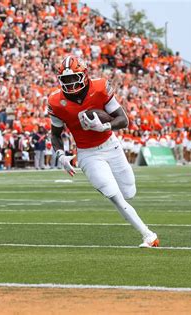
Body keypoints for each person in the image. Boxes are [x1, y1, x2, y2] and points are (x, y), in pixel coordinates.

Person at [48, 55, 159, 248]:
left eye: (74, 78)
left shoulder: (99, 88)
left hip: (111, 145)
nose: (71, 83)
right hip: (88, 154)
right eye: (66, 80)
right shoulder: (56, 101)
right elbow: (55, 135)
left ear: (84, 75)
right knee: (114, 195)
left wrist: (104, 126)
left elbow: (123, 120)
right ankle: (148, 235)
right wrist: (60, 155)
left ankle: (142, 226)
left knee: (129, 192)